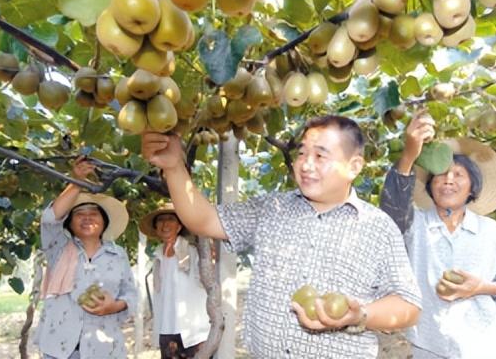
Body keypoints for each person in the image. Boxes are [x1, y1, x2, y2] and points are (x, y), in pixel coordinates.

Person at [142, 115, 422, 358]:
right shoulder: (272, 208)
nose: (305, 165)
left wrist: (359, 315)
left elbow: (408, 305)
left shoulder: (377, 227)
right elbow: (203, 220)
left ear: (354, 166)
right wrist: (174, 168)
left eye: (320, 156)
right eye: (301, 154)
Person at [380, 113, 496, 358]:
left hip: (484, 346)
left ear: (473, 187)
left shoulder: (489, 231)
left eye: (459, 175)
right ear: (430, 185)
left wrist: (481, 287)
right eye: (440, 174)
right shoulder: (414, 225)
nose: (448, 179)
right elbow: (391, 210)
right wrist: (409, 155)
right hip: (429, 346)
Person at [34, 157, 137, 359]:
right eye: (80, 214)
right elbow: (48, 219)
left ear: (104, 222)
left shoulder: (118, 254)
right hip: (59, 348)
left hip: (104, 347)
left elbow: (131, 294)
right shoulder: (58, 249)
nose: (87, 217)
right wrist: (75, 181)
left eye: (94, 213)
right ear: (69, 223)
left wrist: (114, 306)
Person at [139, 204, 211, 359]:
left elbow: (207, 280)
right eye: (160, 220)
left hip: (194, 332)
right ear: (156, 227)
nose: (165, 224)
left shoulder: (192, 252)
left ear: (179, 226)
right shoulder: (158, 256)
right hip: (167, 329)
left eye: (170, 219)